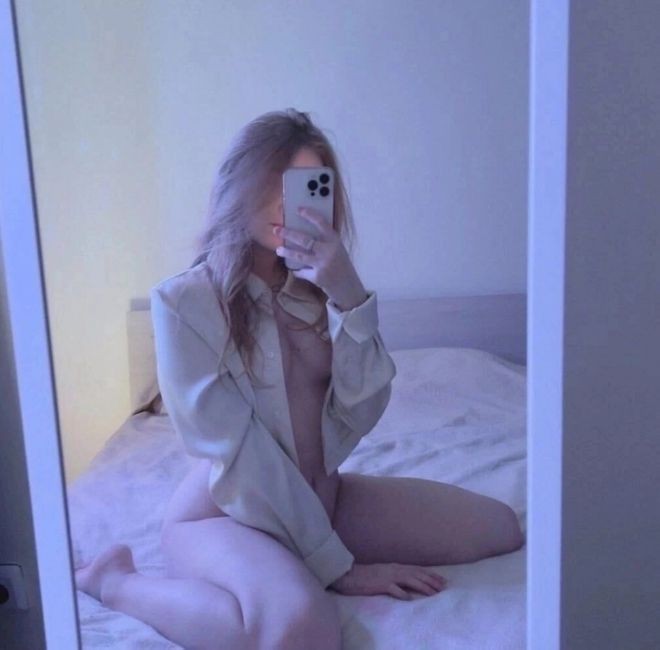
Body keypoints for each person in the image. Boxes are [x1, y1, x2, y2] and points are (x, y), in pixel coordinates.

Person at [75, 108, 524, 650]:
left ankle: (283, 571)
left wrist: (350, 295)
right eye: (271, 185)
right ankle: (116, 582)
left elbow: (363, 410)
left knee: (499, 529)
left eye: (304, 188)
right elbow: (236, 450)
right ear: (238, 187)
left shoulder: (316, 292)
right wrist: (338, 567)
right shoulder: (183, 304)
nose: (285, 206)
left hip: (323, 500)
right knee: (303, 628)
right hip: (226, 512)